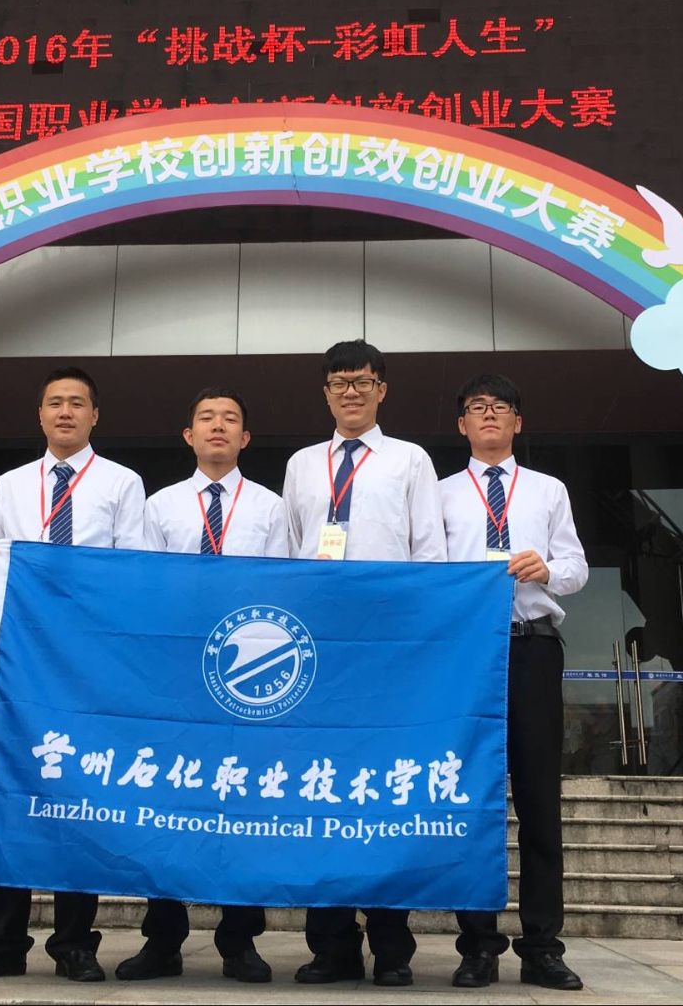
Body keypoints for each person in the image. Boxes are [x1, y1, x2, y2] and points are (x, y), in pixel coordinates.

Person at [0, 366, 146, 984]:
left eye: (77, 403)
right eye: (55, 402)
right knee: (13, 786)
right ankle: (2, 942)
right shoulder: (10, 483)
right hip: (21, 661)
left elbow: (133, 567)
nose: (65, 412)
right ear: (40, 415)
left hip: (86, 662)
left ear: (94, 416)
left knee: (80, 793)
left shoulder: (121, 482)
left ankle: (74, 943)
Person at [280, 339, 447, 987]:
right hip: (317, 649)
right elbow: (290, 553)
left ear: (382, 390)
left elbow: (428, 553)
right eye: (339, 382)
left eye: (362, 381)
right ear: (325, 393)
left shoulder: (409, 460)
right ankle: (330, 946)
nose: (351, 391)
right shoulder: (301, 464)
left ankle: (391, 945)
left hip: (386, 647)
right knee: (318, 787)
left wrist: (421, 639)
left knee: (380, 792)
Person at [117, 387, 288, 985]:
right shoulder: (160, 505)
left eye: (231, 419)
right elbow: (146, 586)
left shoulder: (271, 506)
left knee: (242, 801)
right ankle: (162, 938)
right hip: (175, 671)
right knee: (167, 798)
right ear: (188, 436)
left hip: (245, 674)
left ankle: (240, 940)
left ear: (245, 438)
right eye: (206, 418)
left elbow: (282, 588)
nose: (219, 426)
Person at [439, 373, 588, 992]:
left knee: (538, 800)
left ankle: (543, 946)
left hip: (532, 647)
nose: (489, 415)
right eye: (477, 408)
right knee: (471, 797)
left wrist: (546, 569)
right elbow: (426, 568)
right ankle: (477, 945)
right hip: (467, 653)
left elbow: (577, 567)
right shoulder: (440, 494)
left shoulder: (549, 489)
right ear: (462, 425)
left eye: (501, 407)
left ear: (517, 422)